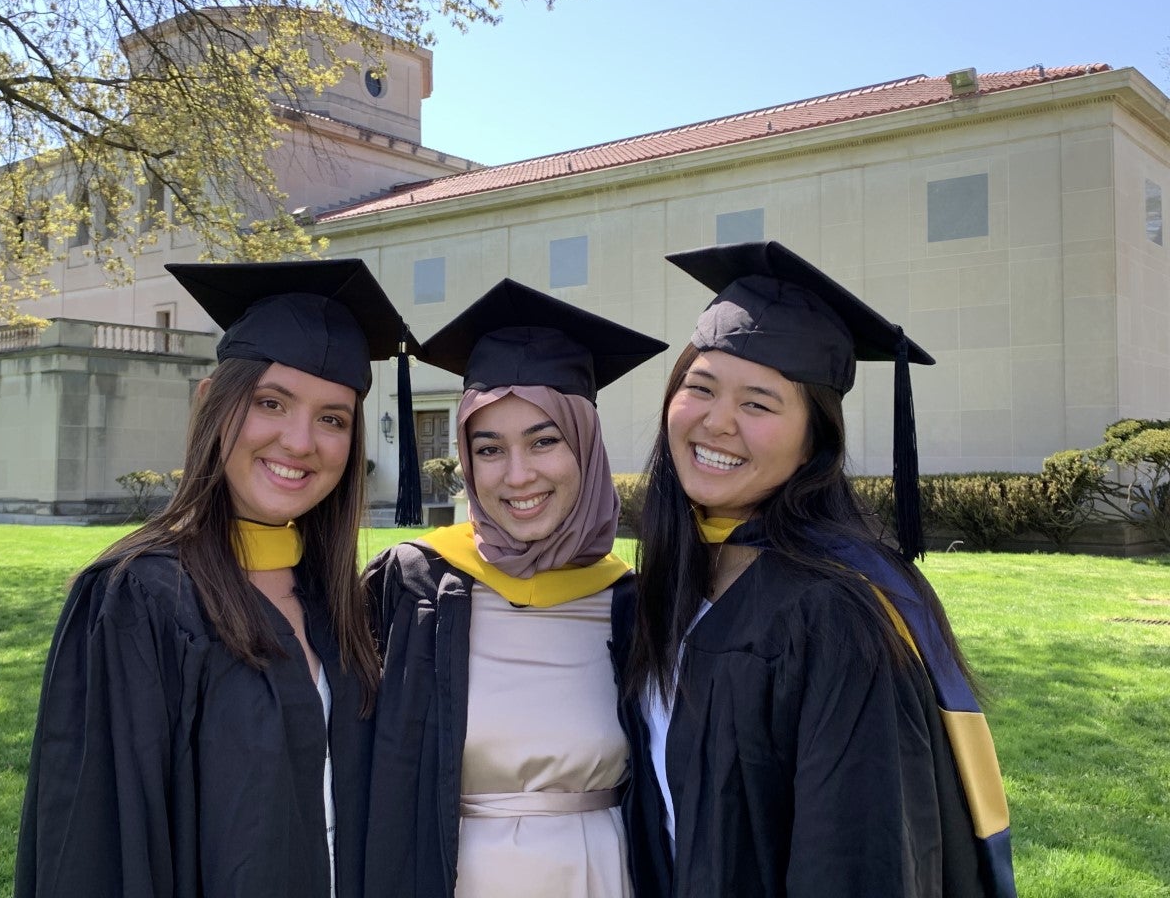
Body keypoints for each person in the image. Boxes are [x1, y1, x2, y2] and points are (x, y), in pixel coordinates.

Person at [623, 241, 1017, 898]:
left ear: (815, 442)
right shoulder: (674, 580)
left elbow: (861, 859)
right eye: (701, 388)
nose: (717, 422)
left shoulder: (839, 613)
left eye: (759, 403)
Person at [14, 258, 414, 898]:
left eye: (333, 418)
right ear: (212, 403)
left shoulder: (341, 603)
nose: (301, 441)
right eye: (271, 402)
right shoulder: (137, 597)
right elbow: (98, 846)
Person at [362, 279, 667, 898]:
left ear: (585, 444)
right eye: (489, 448)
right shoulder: (411, 586)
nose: (518, 474)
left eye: (544, 440)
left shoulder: (639, 605)